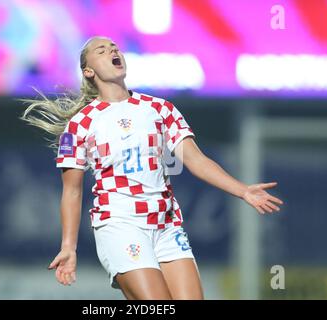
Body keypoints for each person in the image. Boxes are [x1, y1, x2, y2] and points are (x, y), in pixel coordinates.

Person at [21, 36, 284, 300]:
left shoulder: (160, 109)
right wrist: (69, 246)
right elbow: (72, 190)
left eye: (115, 48)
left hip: (167, 225)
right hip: (121, 225)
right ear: (88, 71)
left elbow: (196, 160)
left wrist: (244, 191)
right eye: (102, 50)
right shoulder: (80, 125)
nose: (112, 50)